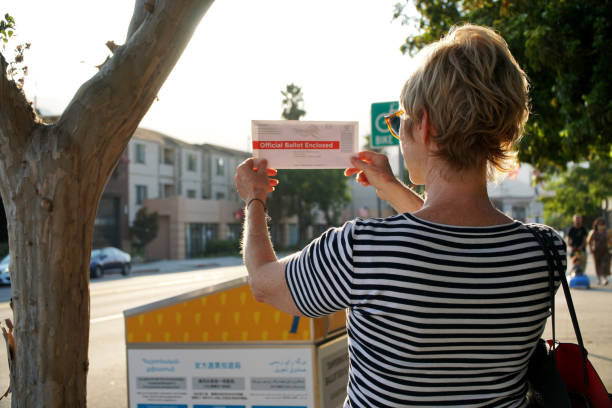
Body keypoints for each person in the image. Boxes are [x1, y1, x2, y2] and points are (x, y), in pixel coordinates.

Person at [235, 24, 565, 407]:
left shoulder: (362, 250)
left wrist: (254, 199)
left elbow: (262, 282)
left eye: (399, 121)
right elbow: (452, 242)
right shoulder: (544, 252)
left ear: (424, 125)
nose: (398, 133)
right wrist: (389, 187)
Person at [587, 217, 611, 285]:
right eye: (600, 224)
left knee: (604, 265)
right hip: (596, 251)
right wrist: (591, 249)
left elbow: (609, 242)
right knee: (597, 265)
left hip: (605, 251)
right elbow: (589, 242)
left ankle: (604, 279)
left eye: (602, 224)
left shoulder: (606, 232)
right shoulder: (593, 232)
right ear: (596, 225)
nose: (601, 226)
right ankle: (598, 279)